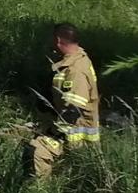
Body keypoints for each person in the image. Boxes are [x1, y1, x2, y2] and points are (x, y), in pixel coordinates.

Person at [31, 23, 100, 178]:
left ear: (57, 40)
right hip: (69, 132)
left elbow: (73, 111)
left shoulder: (75, 70)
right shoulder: (76, 59)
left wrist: (53, 133)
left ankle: (41, 187)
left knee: (39, 152)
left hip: (73, 135)